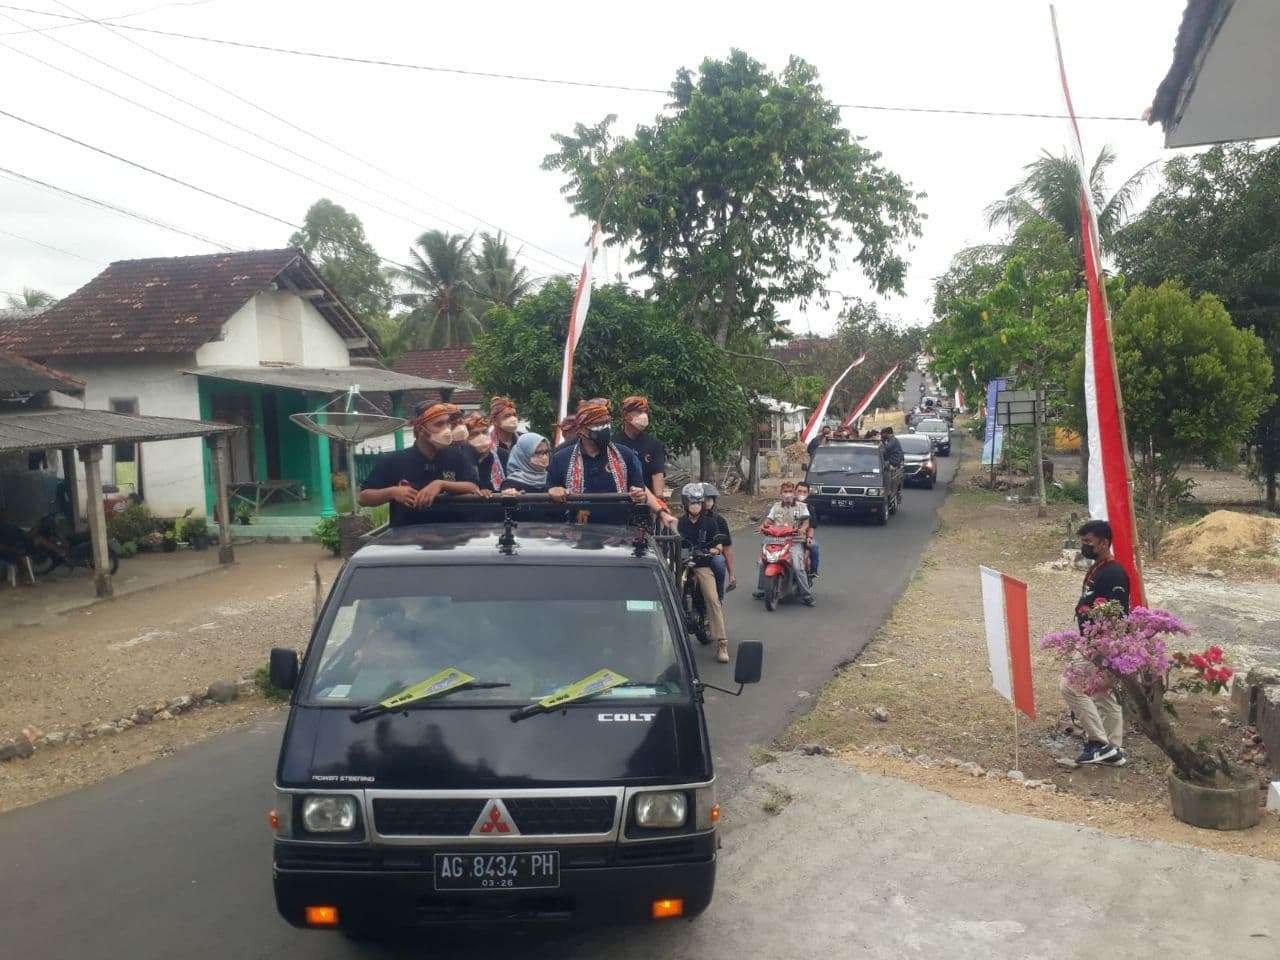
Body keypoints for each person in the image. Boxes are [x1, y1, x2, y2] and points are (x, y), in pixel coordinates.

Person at [1060, 519, 1131, 766]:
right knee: (1102, 694)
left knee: (1070, 686)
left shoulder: (1114, 573)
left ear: (1104, 542)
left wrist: (1103, 649)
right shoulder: (1097, 568)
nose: (1084, 546)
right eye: (1082, 542)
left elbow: (1119, 614)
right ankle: (1114, 750)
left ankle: (1099, 743)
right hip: (1090, 641)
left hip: (1100, 645)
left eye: (1088, 542)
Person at [358, 402, 481, 525]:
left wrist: (441, 484)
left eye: (447, 423)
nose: (447, 430)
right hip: (408, 536)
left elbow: (473, 487)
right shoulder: (395, 460)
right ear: (421, 429)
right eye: (439, 424)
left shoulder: (455, 456)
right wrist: (392, 492)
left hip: (451, 534)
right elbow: (363, 498)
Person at [547, 399, 647, 525]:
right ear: (582, 429)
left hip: (618, 536)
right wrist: (554, 491)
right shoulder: (561, 458)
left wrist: (639, 495)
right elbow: (549, 496)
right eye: (598, 425)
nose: (605, 429)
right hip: (575, 537)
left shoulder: (625, 455)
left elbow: (641, 494)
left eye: (607, 423)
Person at [676, 483, 731, 663]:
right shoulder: (678, 523)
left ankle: (722, 644)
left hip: (701, 565)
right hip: (682, 566)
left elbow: (719, 546)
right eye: (692, 503)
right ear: (685, 504)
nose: (696, 506)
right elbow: (670, 542)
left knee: (713, 600)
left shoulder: (710, 522)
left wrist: (711, 551)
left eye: (698, 503)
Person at [752, 480, 815, 607]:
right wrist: (762, 526)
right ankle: (763, 588)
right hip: (774, 539)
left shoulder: (802, 507)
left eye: (790, 491)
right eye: (785, 492)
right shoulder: (776, 507)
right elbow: (768, 520)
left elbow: (806, 522)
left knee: (798, 567)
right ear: (781, 494)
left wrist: (802, 530)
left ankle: (806, 594)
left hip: (794, 540)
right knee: (761, 562)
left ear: (794, 493)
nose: (788, 494)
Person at [614, 395, 667, 497]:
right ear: (626, 415)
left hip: (646, 502)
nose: (643, 416)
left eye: (645, 412)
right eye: (639, 412)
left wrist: (659, 503)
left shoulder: (654, 444)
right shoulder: (614, 444)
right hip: (620, 501)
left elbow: (657, 474)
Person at [701, 482, 735, 598]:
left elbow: (726, 548)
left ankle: (718, 596)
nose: (708, 501)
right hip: (691, 555)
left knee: (719, 562)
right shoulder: (685, 520)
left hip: (712, 555)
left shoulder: (719, 520)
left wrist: (731, 574)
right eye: (705, 498)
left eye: (711, 498)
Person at [464, 413, 503, 492]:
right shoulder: (460, 456)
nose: (481, 437)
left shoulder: (490, 456)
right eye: (474, 434)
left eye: (484, 432)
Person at [795, 481, 819, 581]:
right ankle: (764, 587)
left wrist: (809, 538)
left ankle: (813, 571)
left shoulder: (810, 508)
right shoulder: (786, 504)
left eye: (804, 492)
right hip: (783, 538)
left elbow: (812, 526)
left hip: (801, 537)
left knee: (814, 545)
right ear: (795, 491)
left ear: (808, 494)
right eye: (799, 491)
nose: (802, 493)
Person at [490, 396, 521, 468]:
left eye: (514, 415)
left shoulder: (523, 440)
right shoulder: (487, 444)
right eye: (507, 416)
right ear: (495, 420)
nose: (513, 419)